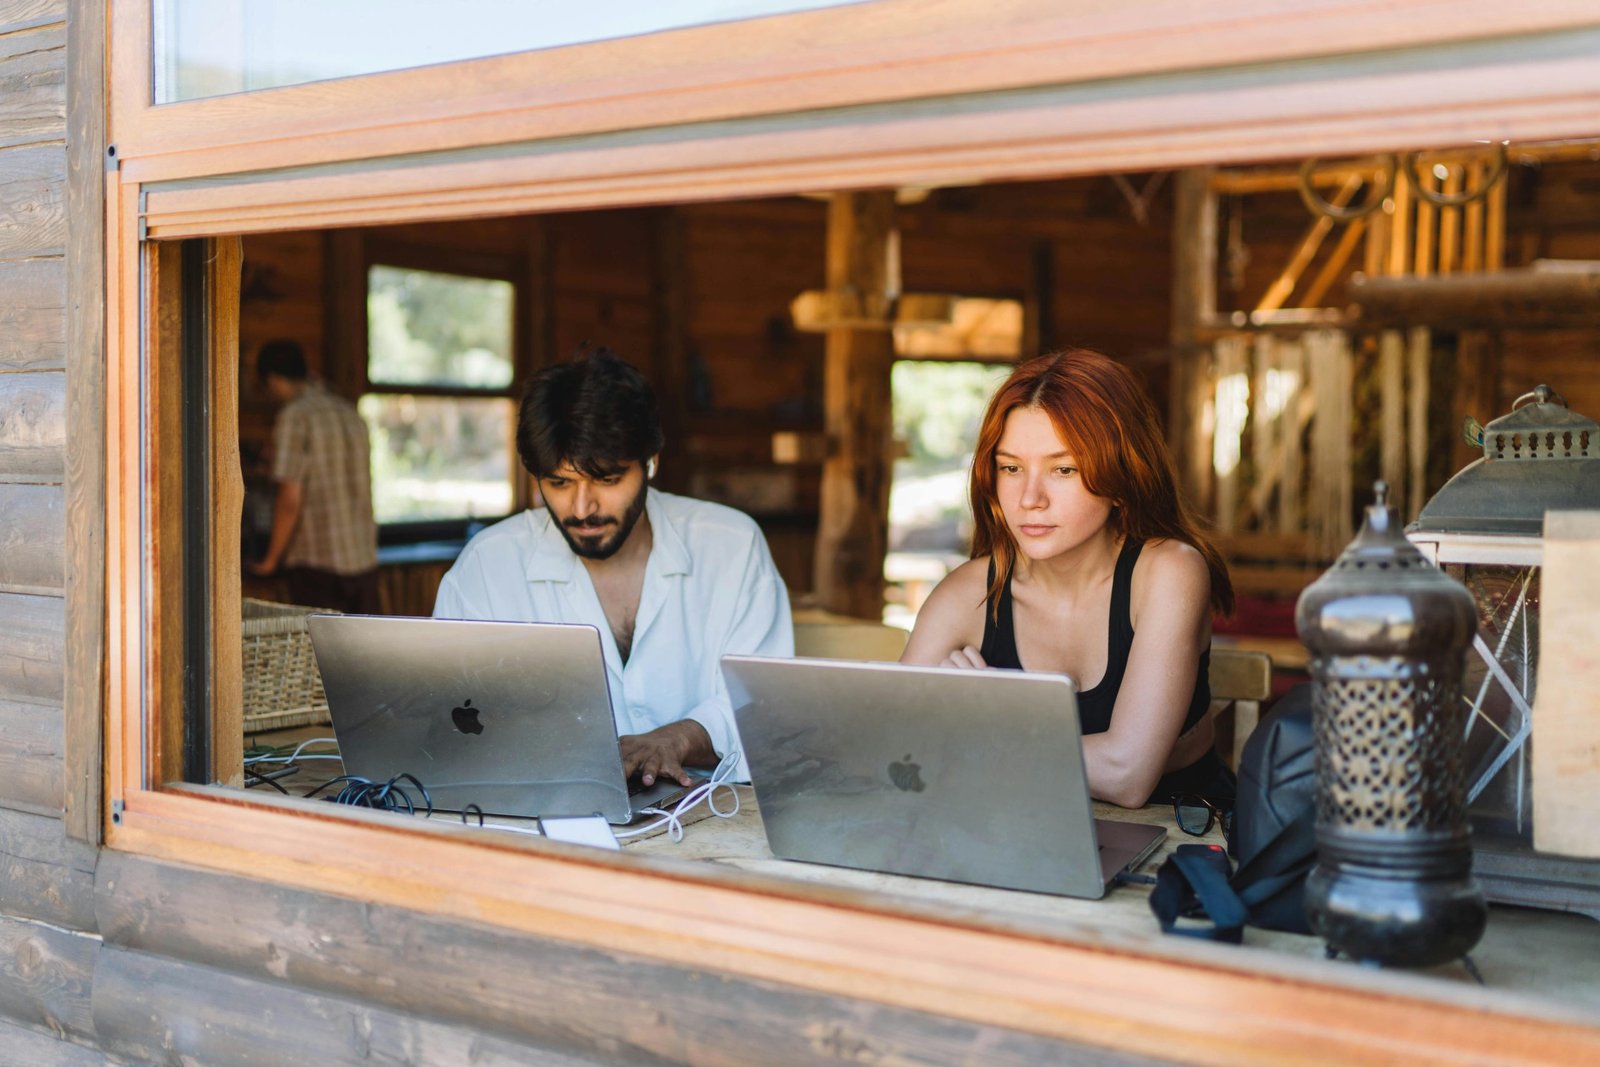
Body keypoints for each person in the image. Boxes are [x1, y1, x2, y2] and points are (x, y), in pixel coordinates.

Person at [433, 347, 792, 788]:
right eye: (560, 483)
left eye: (607, 480)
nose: (582, 508)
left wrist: (679, 738)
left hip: (711, 816)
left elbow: (765, 706)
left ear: (651, 461)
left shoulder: (732, 548)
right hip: (540, 821)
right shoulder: (487, 568)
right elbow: (452, 720)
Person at [901, 349, 1235, 809]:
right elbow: (895, 752)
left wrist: (987, 721)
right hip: (1021, 836)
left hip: (1178, 849)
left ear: (1120, 478)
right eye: (1011, 467)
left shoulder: (1168, 572)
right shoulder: (964, 596)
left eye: (1064, 469)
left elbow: (1126, 775)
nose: (1030, 498)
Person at [250, 339, 381, 614]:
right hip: (363, 559)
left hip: (318, 563)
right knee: (361, 655)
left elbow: (290, 498)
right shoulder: (349, 412)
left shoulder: (294, 417)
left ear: (272, 379)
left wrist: (271, 560)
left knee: (316, 656)